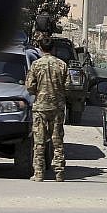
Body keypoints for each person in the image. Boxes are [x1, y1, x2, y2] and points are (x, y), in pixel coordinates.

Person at [25, 36, 70, 182]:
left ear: (41, 48)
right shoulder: (62, 65)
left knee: (39, 141)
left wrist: (38, 92)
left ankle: (38, 173)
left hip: (40, 108)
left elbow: (30, 86)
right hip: (57, 107)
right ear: (53, 48)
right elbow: (68, 86)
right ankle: (60, 173)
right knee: (57, 141)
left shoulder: (36, 65)